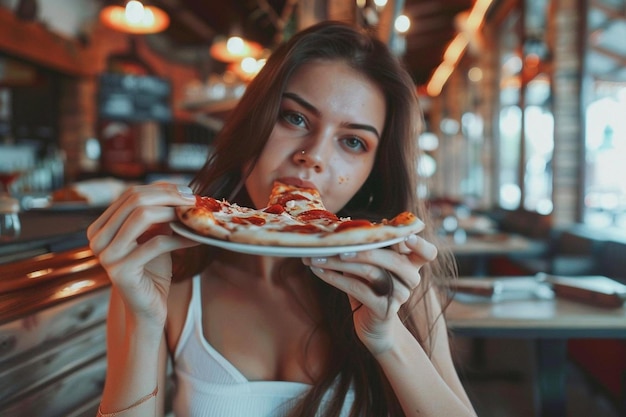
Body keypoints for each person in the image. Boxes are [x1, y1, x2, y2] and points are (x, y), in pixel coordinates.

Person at [87, 20, 477, 417]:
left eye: (353, 141)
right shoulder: (168, 272)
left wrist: (388, 337)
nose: (314, 155)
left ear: (375, 172)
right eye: (295, 118)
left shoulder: (392, 286)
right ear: (255, 120)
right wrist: (143, 322)